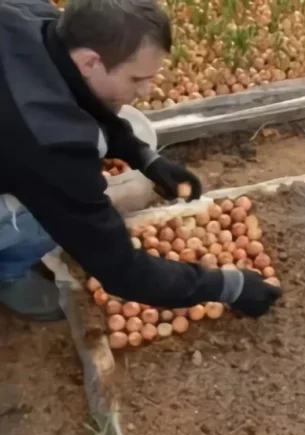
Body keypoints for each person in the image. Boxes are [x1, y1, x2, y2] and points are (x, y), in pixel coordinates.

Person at [0, 0, 282, 321]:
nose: (147, 90)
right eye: (136, 79)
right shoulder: (48, 143)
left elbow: (79, 94)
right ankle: (7, 274)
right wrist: (230, 286)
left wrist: (144, 157)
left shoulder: (37, 17)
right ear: (90, 62)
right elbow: (122, 272)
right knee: (46, 215)